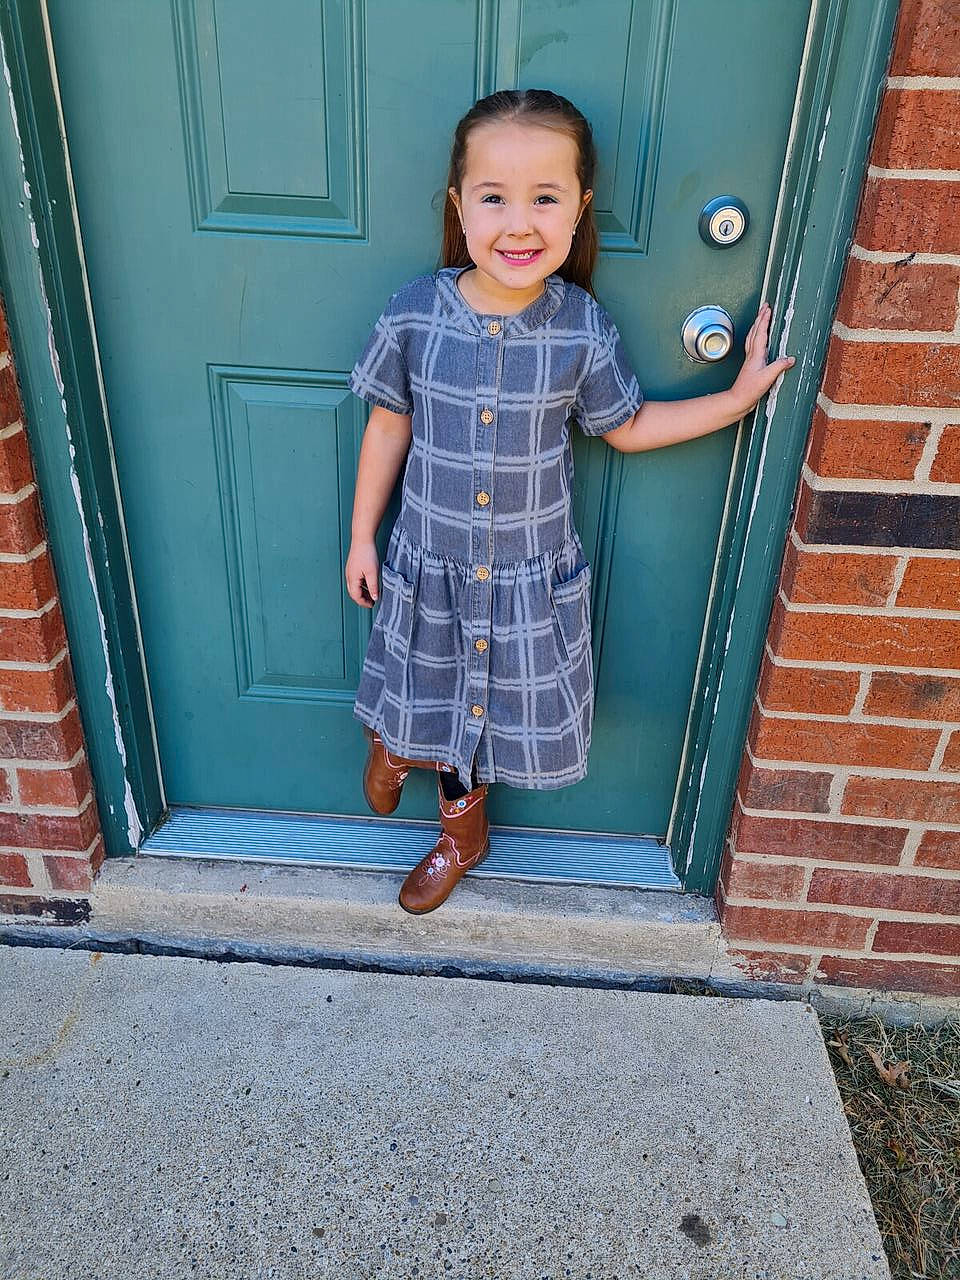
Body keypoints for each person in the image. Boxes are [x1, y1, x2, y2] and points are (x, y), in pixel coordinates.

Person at [345, 88, 795, 916]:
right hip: (428, 569)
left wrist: (733, 402)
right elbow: (386, 428)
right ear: (459, 206)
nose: (519, 224)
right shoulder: (415, 312)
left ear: (580, 209)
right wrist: (362, 537)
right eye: (494, 198)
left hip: (521, 581)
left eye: (545, 199)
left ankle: (460, 833)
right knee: (415, 687)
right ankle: (391, 745)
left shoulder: (580, 328)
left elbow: (625, 425)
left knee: (473, 718)